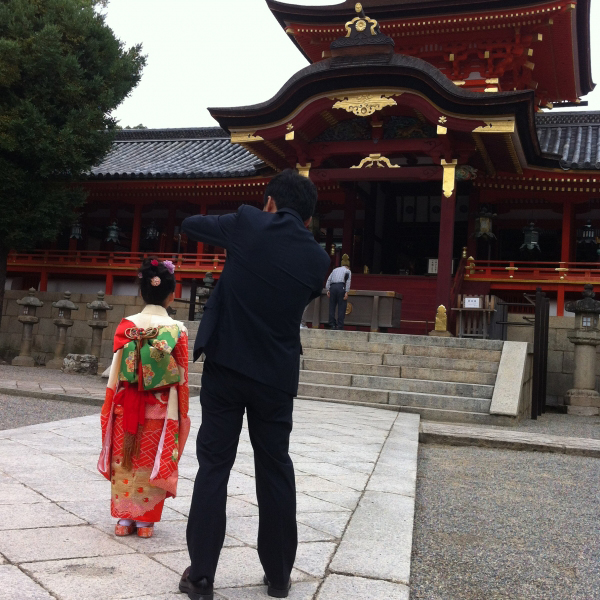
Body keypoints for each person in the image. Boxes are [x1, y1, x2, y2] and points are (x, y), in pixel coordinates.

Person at [178, 169, 330, 600]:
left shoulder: (247, 222)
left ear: (269, 202)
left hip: (227, 366)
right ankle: (279, 575)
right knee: (275, 468)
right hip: (276, 376)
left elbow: (193, 225)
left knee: (214, 466)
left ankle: (203, 575)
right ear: (307, 218)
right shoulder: (319, 261)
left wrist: (239, 227)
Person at [98, 258, 190, 539]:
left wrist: (109, 405)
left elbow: (115, 371)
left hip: (126, 405)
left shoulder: (126, 327)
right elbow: (182, 376)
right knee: (152, 459)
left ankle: (124, 520)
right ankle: (145, 523)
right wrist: (182, 412)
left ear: (141, 293)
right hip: (161, 409)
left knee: (125, 459)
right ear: (172, 295)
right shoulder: (177, 330)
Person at [326, 254, 352, 330]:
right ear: (348, 266)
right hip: (341, 287)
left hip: (333, 287)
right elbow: (348, 281)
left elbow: (329, 279)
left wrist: (328, 289)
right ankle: (340, 325)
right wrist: (346, 291)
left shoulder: (334, 270)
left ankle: (332, 324)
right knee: (342, 306)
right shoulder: (348, 271)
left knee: (332, 306)